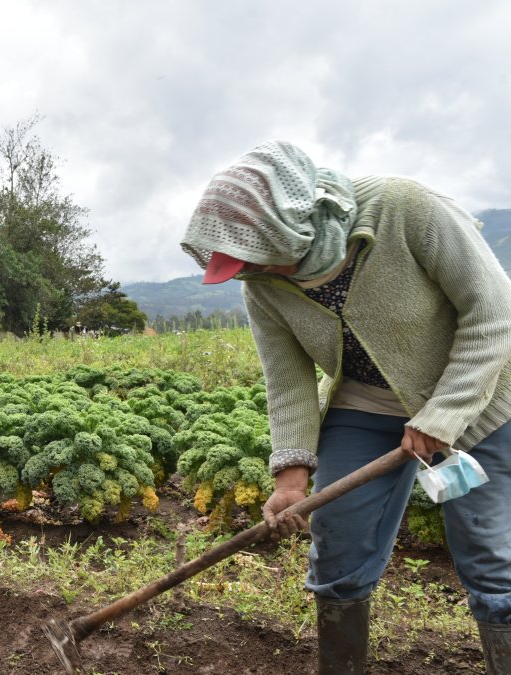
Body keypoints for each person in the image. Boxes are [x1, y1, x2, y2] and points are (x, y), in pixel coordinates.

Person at [180, 140, 511, 675]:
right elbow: (288, 380)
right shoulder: (262, 282)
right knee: (338, 541)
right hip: (366, 405)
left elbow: (495, 313)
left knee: (488, 552)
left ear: (293, 228)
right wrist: (290, 478)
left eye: (262, 259)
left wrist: (443, 415)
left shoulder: (405, 211)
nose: (257, 272)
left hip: (482, 401)